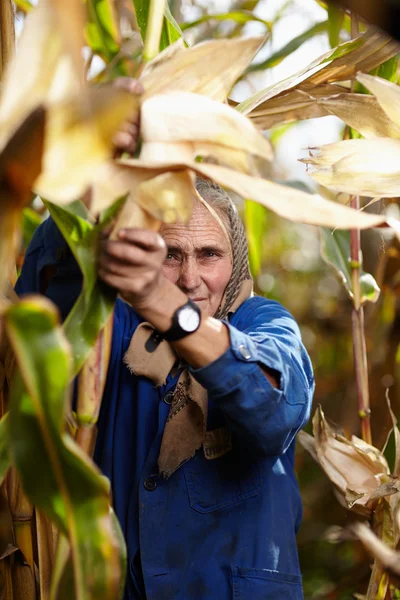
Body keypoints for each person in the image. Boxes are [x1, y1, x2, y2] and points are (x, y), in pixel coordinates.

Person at [16, 85, 314, 600]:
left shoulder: (265, 323)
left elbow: (271, 409)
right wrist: (94, 181)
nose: (191, 277)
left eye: (209, 254)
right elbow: (45, 301)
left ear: (235, 261)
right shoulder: (114, 326)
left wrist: (162, 303)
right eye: (171, 253)